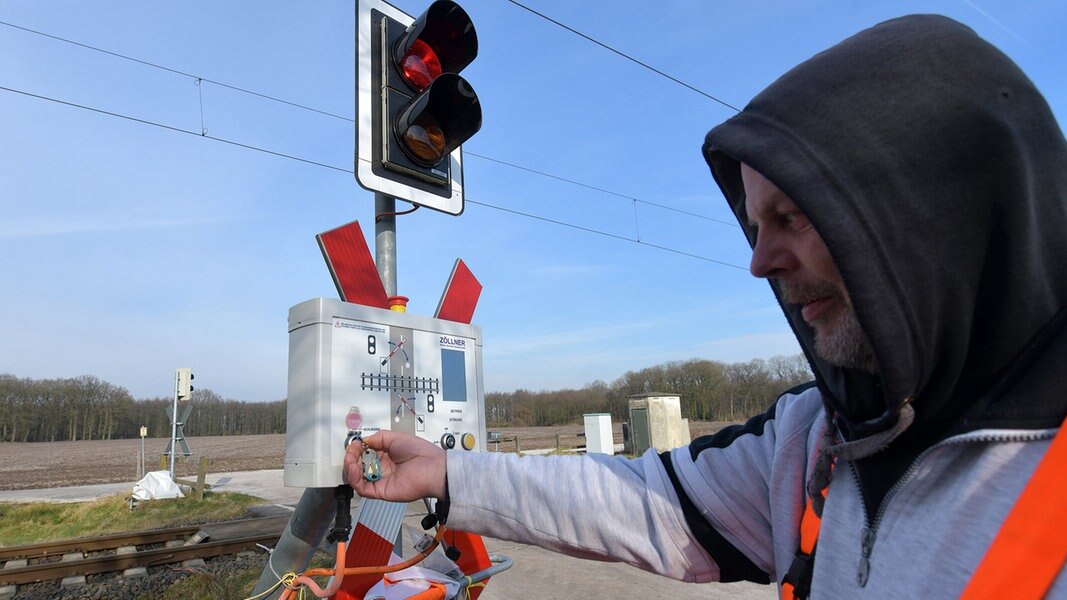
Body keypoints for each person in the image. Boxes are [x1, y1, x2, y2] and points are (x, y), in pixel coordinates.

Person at [346, 14, 1067, 597]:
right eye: (755, 226)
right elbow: (634, 499)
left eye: (793, 217)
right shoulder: (813, 441)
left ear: (930, 210)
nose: (759, 261)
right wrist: (445, 472)